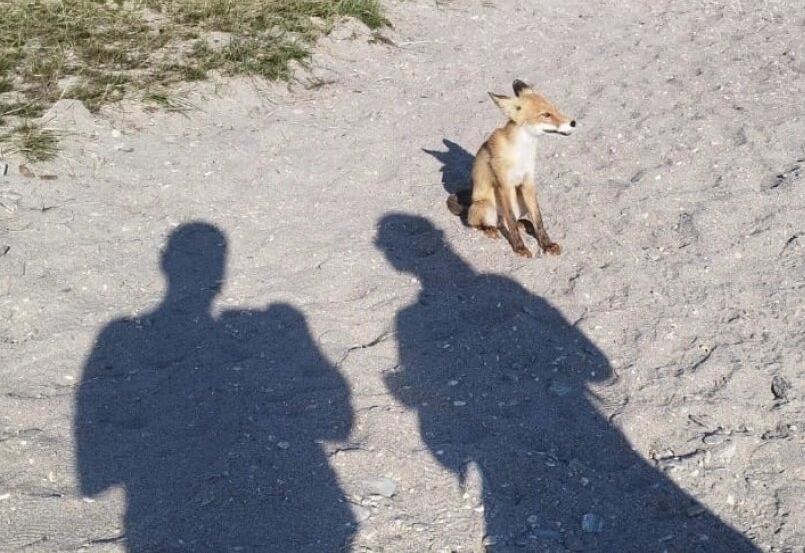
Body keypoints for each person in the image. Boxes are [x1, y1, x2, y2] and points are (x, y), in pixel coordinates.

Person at [377, 214, 758, 552]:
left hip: (507, 459)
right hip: (593, 424)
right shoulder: (500, 289)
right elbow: (600, 370)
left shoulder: (409, 318)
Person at [75, 222, 356, 552]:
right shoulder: (120, 334)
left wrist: (98, 477)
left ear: (165, 262)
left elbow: (95, 470)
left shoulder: (118, 334)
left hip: (157, 505)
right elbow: (339, 424)